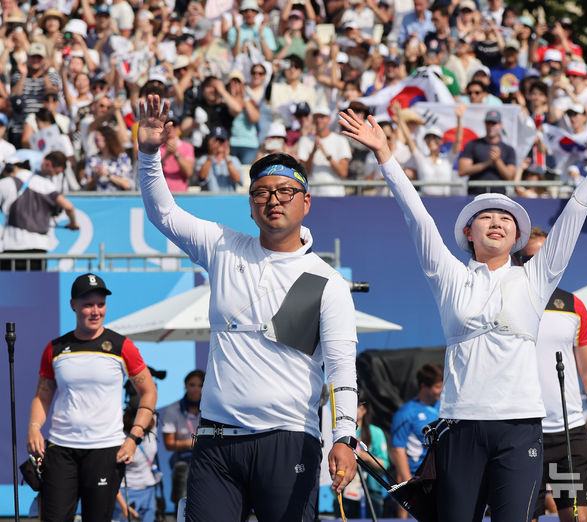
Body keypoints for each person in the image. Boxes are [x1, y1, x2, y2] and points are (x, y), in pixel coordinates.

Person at [339, 107, 587, 521]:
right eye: (485, 217)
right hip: (460, 425)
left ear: (517, 235)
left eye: (506, 218)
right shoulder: (448, 274)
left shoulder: (536, 278)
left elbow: (576, 209)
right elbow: (416, 215)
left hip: (520, 428)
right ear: (467, 234)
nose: (496, 222)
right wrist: (385, 154)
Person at [136, 95, 358, 520]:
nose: (273, 200)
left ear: (306, 201)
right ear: (251, 205)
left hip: (289, 439)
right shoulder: (222, 246)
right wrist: (149, 153)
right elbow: (162, 212)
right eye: (261, 193)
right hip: (216, 444)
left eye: (285, 191)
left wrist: (345, 436)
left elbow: (342, 367)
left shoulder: (326, 281)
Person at [26, 273, 158, 521]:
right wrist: (34, 428)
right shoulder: (55, 348)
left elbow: (149, 392)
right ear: (73, 305)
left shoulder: (122, 346)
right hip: (61, 449)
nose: (95, 311)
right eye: (88, 304)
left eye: (100, 304)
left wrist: (133, 438)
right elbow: (42, 395)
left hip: (106, 450)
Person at [517, 228, 587, 522]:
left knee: (577, 518)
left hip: (570, 433)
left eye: (549, 259)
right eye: (532, 259)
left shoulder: (573, 307)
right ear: (518, 260)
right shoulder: (502, 302)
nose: (542, 266)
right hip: (520, 433)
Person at [0, 158, 79, 270]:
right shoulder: (45, 184)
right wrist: (73, 223)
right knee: (35, 287)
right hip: (39, 248)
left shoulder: (5, 183)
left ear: (10, 168)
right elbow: (68, 206)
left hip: (12, 246)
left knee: (10, 287)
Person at [390, 362, 443, 517]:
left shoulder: (445, 407)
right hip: (418, 478)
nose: (441, 391)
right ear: (423, 386)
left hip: (440, 477)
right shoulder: (406, 413)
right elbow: (397, 449)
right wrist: (409, 487)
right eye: (437, 387)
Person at [335, 389, 389, 518]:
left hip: (370, 491)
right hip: (346, 489)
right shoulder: (338, 432)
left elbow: (384, 464)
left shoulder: (375, 433)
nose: (351, 409)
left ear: (364, 409)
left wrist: (365, 457)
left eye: (355, 405)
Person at [161, 369, 205, 510]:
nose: (196, 389)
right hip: (182, 456)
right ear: (185, 386)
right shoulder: (172, 409)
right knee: (181, 469)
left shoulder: (211, 409)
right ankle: (179, 510)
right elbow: (169, 444)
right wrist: (191, 443)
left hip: (206, 456)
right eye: (192, 385)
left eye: (200, 385)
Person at [113, 403, 160, 522]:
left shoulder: (152, 426)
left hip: (148, 489)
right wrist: (123, 506)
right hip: (125, 492)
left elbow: (150, 396)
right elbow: (111, 475)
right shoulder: (119, 436)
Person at [457, 109, 517, 195]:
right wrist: (487, 163)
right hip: (475, 194)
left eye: (494, 123)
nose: (491, 126)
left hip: (499, 195)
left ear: (500, 125)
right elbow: (462, 171)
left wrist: (497, 161)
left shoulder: (508, 149)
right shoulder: (473, 145)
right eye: (488, 123)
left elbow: (511, 177)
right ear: (484, 124)